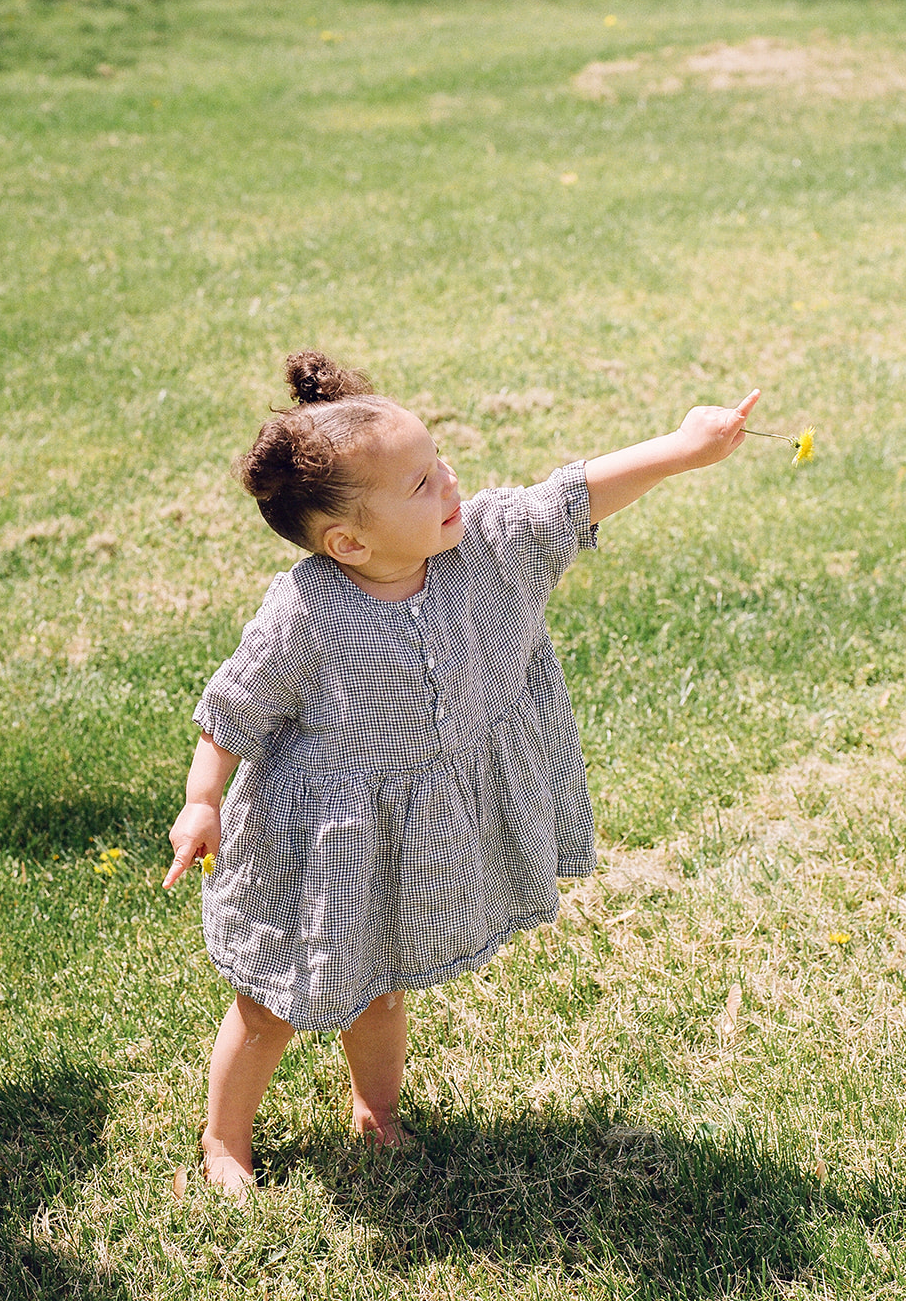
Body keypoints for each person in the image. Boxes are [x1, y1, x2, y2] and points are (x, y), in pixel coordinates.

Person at [164, 350, 760, 1198]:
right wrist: (201, 801)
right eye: (418, 483)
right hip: (319, 852)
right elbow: (232, 708)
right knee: (271, 1007)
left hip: (404, 847)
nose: (448, 481)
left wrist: (684, 446)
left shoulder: (483, 548)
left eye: (437, 459)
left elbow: (569, 497)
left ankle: (375, 1109)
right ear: (348, 541)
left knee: (382, 988)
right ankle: (224, 1138)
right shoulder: (304, 611)